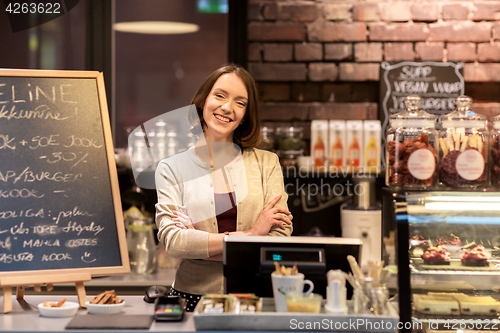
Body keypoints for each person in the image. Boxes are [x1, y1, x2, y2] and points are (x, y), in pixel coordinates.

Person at [155, 65, 293, 311]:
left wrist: (199, 246)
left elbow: (280, 237)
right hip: (192, 299)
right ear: (202, 100)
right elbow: (174, 242)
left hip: (255, 298)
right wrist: (251, 236)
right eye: (220, 95)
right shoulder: (171, 168)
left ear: (246, 115)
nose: (228, 107)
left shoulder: (266, 163)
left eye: (240, 103)